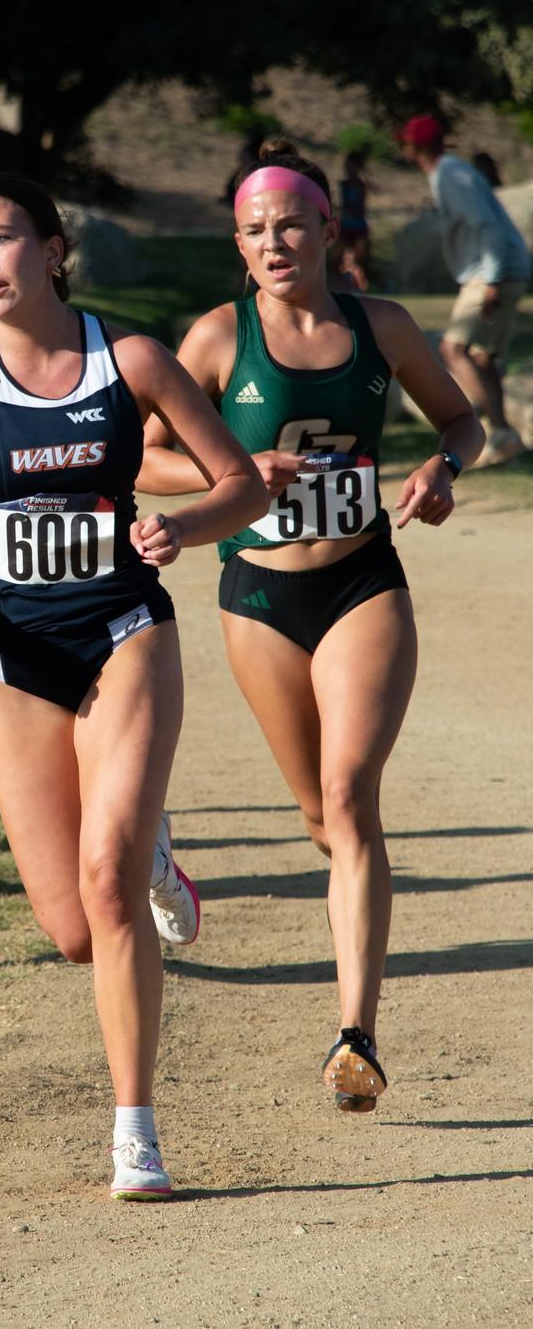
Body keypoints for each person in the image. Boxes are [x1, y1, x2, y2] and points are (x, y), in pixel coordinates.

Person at [0, 172, 268, 1199]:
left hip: (121, 629)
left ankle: (134, 1131)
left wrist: (180, 526)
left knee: (105, 886)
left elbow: (234, 480)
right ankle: (149, 839)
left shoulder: (131, 359)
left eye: (4, 239)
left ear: (54, 249)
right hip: (10, 654)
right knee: (70, 929)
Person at [138, 137, 484, 1114]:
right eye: (253, 229)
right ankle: (317, 894)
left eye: (291, 222)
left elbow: (462, 424)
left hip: (361, 581)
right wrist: (231, 475)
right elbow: (144, 453)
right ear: (237, 246)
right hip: (257, 596)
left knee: (349, 793)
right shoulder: (213, 339)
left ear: (329, 228)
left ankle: (355, 1034)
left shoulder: (381, 327)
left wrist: (438, 472)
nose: (273, 240)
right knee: (317, 818)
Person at [400, 115, 530, 467]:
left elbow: (485, 225)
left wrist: (491, 278)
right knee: (482, 358)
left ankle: (492, 429)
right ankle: (505, 435)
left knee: (452, 348)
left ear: (416, 146)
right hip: (505, 271)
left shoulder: (450, 176)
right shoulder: (451, 173)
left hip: (492, 273)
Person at [337, 151, 370, 291]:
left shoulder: (360, 185)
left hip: (358, 225)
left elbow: (360, 207)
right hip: (346, 226)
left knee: (358, 258)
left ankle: (360, 285)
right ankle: (345, 284)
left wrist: (350, 210)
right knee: (345, 258)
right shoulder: (344, 185)